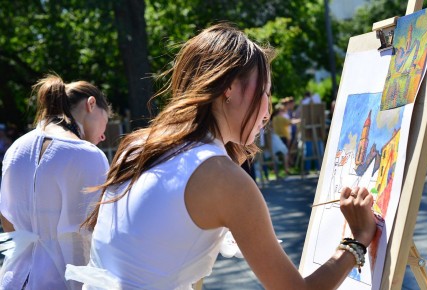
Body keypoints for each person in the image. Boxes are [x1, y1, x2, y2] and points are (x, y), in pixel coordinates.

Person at [66, 23, 376, 289]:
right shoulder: (223, 180)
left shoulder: (139, 145)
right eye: (265, 92)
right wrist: (356, 239)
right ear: (229, 89)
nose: (267, 109)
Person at [0, 74, 111, 289]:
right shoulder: (89, 155)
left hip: (15, 279)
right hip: (65, 281)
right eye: (105, 123)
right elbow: (100, 229)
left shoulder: (16, 148)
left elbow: (7, 218)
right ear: (91, 104)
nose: (103, 136)